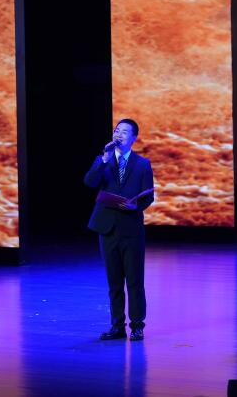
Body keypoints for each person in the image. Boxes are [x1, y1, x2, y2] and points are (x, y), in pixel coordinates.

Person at [84, 119, 154, 341]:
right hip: (108, 228)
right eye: (116, 130)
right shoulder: (104, 160)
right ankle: (117, 326)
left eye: (124, 132)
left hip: (131, 229)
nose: (119, 134)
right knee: (114, 281)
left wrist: (136, 206)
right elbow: (90, 181)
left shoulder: (143, 164)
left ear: (133, 138)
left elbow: (148, 196)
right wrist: (104, 159)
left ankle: (137, 325)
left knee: (134, 280)